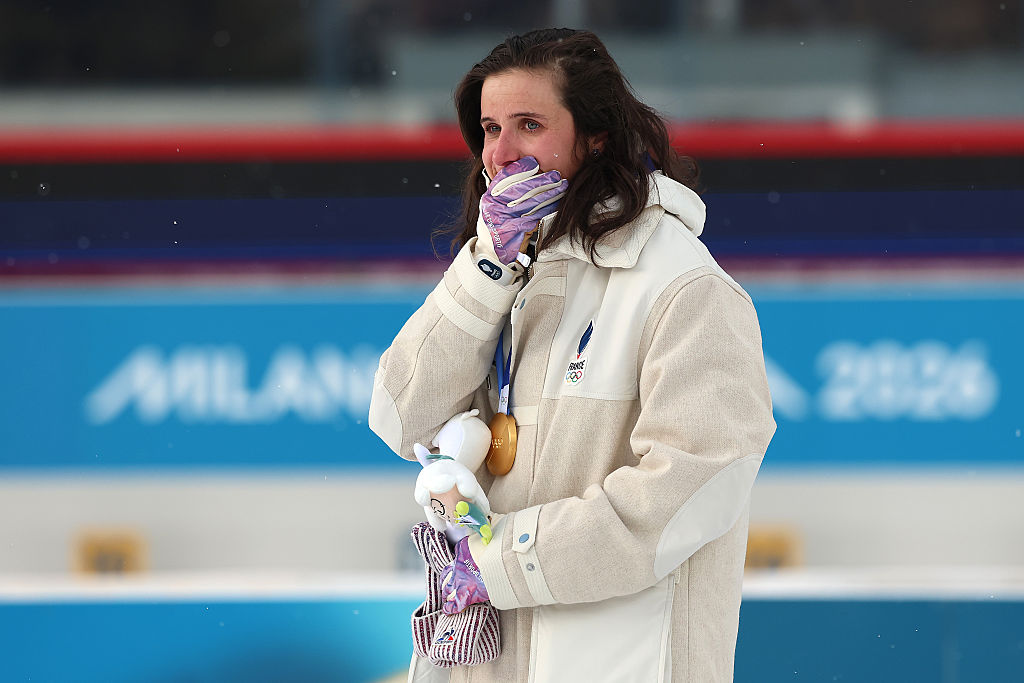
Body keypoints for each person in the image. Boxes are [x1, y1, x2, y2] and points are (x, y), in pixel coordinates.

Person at [369, 28, 776, 682]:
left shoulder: (684, 288)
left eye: (528, 125)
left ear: (597, 138)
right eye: (490, 128)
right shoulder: (503, 275)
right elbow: (398, 414)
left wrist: (498, 559)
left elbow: (694, 487)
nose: (500, 153)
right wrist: (485, 269)